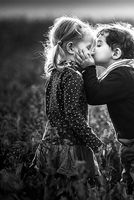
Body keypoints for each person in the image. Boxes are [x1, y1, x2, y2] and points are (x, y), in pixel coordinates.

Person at [78, 22, 134, 194]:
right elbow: (94, 92)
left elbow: (95, 96)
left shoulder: (123, 75)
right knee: (130, 185)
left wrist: (88, 68)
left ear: (116, 53)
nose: (93, 49)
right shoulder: (117, 73)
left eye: (98, 44)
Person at [31, 16, 103, 199]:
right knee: (75, 191)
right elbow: (73, 114)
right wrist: (94, 141)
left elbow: (50, 111)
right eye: (88, 48)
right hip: (70, 145)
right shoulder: (74, 76)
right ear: (71, 48)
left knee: (54, 190)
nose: (92, 53)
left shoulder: (55, 72)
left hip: (51, 143)